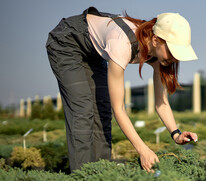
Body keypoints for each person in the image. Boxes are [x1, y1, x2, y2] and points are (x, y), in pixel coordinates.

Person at [46, 6, 198, 172]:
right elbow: (119, 108)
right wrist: (143, 150)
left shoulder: (160, 57)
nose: (174, 59)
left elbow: (161, 103)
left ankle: (100, 176)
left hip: (94, 53)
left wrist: (176, 134)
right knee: (82, 109)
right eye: (172, 51)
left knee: (102, 111)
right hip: (68, 42)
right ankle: (81, 179)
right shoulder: (122, 43)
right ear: (155, 40)